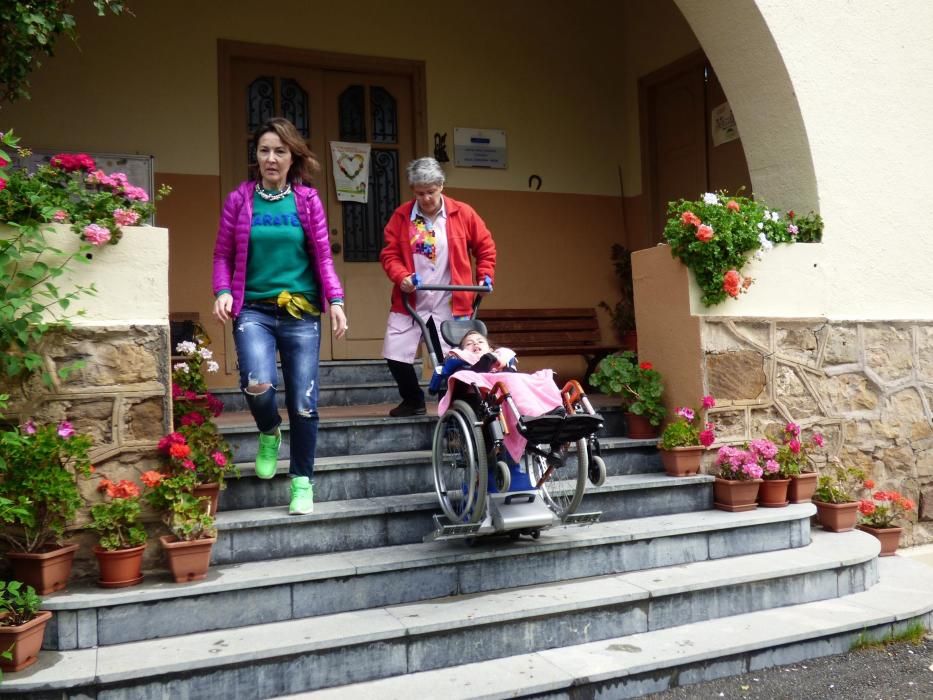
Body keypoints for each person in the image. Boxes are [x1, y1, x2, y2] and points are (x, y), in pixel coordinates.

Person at [212, 117, 348, 515]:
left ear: (293, 157)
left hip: (301, 313)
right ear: (255, 156)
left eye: (280, 151)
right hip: (253, 308)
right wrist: (222, 291)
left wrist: (336, 300)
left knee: (304, 403)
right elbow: (222, 255)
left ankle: (302, 482)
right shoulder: (240, 200)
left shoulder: (307, 201)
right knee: (257, 383)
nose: (271, 158)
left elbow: (322, 256)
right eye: (264, 151)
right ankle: (269, 430)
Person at [379, 157, 497, 417]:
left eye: (431, 192)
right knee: (395, 352)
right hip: (411, 298)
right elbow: (389, 255)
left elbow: (485, 247)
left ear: (441, 186)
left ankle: (452, 408)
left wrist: (485, 274)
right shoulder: (402, 216)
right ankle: (413, 400)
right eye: (420, 193)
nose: (426, 198)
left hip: (450, 299)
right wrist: (402, 277)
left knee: (452, 358)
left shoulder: (462, 213)